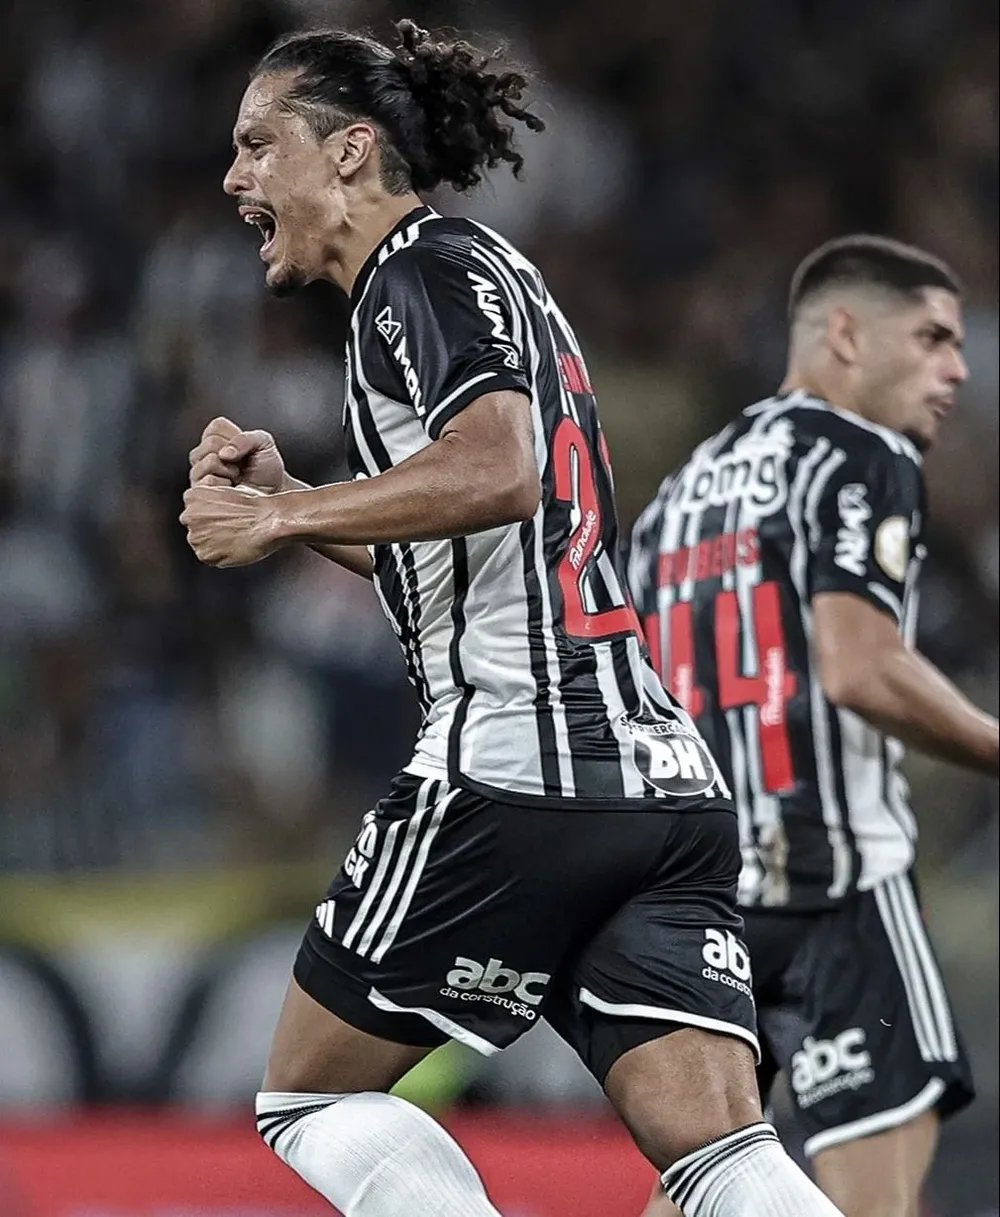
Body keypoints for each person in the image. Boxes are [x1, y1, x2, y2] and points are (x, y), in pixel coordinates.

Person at [180, 21, 844, 1217]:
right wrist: (299, 504)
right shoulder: (491, 271)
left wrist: (277, 527)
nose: (235, 177)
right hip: (657, 787)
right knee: (718, 1150)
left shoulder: (416, 273)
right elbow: (485, 540)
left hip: (514, 772)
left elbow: (502, 467)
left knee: (310, 1097)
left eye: (257, 143)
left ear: (348, 153)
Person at [630, 234, 994, 1217]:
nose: (955, 367)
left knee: (706, 1187)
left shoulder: (676, 497)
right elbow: (859, 664)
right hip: (837, 888)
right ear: (843, 333)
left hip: (705, 903)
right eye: (929, 338)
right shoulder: (863, 452)